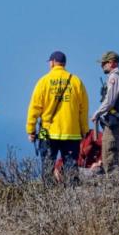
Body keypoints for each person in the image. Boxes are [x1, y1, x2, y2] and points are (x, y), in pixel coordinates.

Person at [26, 51, 89, 183]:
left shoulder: (43, 81)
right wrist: (84, 130)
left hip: (46, 131)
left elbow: (34, 108)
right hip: (71, 132)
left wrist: (31, 130)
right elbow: (83, 110)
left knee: (47, 164)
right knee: (71, 166)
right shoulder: (76, 81)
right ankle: (73, 197)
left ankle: (49, 198)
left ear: (53, 62)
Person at [91, 51, 119, 172]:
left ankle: (112, 186)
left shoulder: (114, 77)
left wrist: (97, 113)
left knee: (109, 155)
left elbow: (109, 101)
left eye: (104, 63)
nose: (102, 66)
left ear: (111, 63)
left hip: (114, 124)